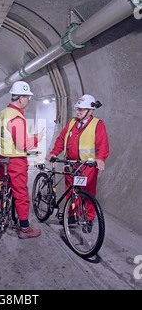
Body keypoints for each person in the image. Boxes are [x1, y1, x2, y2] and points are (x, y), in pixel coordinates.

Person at [45, 94, 109, 230]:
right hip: (70, 164)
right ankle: (72, 215)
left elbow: (102, 144)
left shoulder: (97, 124)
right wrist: (54, 152)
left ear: (90, 111)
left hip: (87, 166)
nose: (77, 112)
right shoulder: (72, 122)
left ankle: (88, 219)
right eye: (77, 109)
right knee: (71, 191)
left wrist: (100, 158)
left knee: (87, 192)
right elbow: (62, 139)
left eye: (81, 109)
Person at [0, 81, 45, 239]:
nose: (29, 100)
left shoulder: (3, 113)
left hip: (2, 159)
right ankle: (25, 229)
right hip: (16, 161)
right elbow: (22, 144)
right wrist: (37, 138)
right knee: (21, 194)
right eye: (27, 97)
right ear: (20, 98)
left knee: (0, 188)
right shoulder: (16, 117)